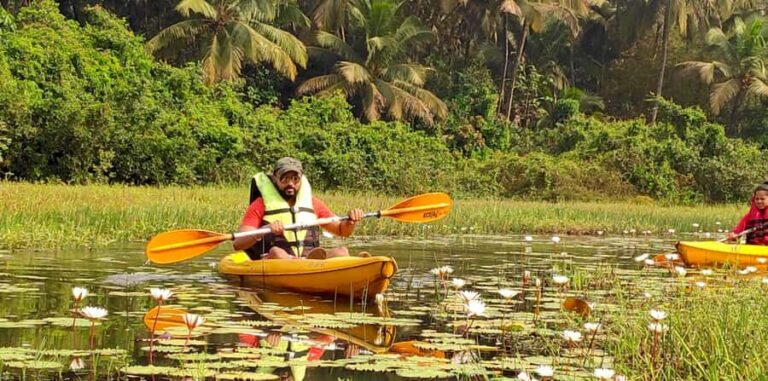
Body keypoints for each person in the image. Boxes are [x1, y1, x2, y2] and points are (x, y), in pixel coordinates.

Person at [232, 157, 364, 259]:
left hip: (307, 260)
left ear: (301, 180)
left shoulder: (313, 203)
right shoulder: (261, 204)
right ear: (275, 179)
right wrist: (264, 230)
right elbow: (238, 243)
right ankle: (306, 268)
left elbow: (342, 230)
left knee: (342, 251)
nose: (290, 183)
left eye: (295, 179)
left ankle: (314, 266)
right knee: (277, 252)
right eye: (285, 179)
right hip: (274, 260)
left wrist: (350, 222)